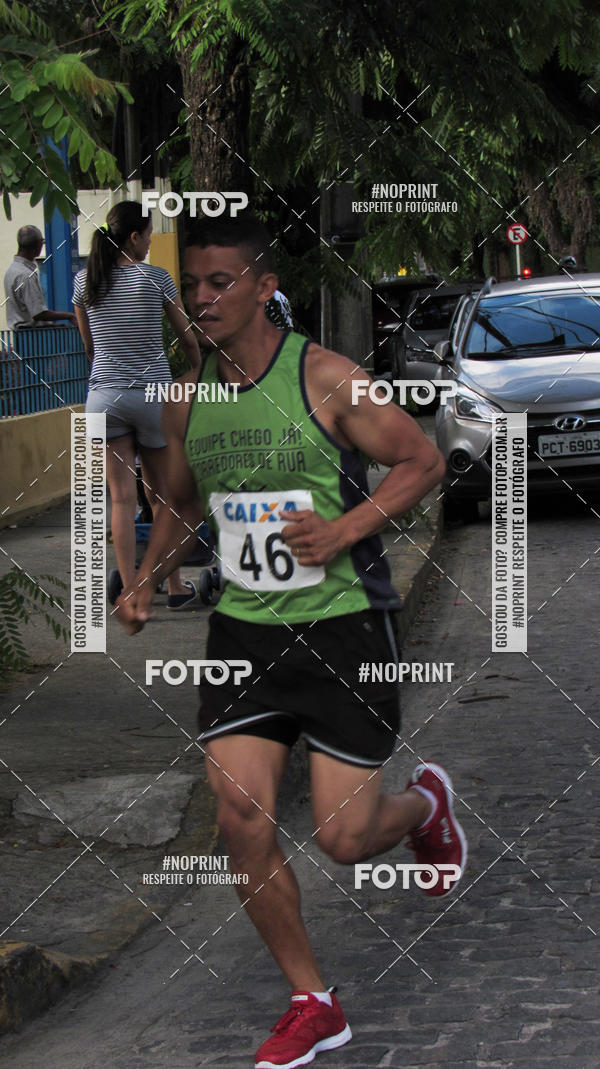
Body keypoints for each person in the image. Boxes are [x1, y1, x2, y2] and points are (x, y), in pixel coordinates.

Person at [116, 216, 468, 1068]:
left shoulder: (325, 377)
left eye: (218, 283)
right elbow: (184, 503)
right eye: (192, 285)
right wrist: (143, 577)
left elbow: (422, 460)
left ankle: (427, 806)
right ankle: (313, 999)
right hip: (243, 632)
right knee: (240, 817)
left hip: (344, 627)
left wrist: (344, 527)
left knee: (346, 837)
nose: (201, 298)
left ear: (262, 285)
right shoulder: (185, 394)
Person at [73, 200, 201, 608]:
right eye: (147, 235)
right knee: (166, 497)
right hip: (151, 398)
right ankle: (176, 587)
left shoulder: (84, 282)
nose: (149, 242)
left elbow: (91, 347)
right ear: (134, 237)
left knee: (122, 499)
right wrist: (198, 369)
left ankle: (129, 591)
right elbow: (186, 335)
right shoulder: (156, 278)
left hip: (103, 398)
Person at [4, 226, 77, 330]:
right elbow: (38, 313)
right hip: (31, 337)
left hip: (20, 335)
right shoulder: (25, 275)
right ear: (37, 246)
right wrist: (69, 316)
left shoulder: (12, 270)